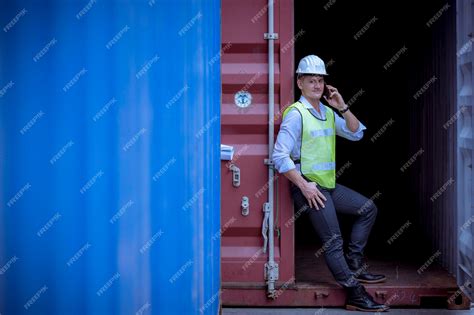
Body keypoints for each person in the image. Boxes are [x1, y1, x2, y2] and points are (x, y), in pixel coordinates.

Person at [272, 54, 389, 312]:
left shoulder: (326, 112)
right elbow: (278, 156)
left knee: (367, 209)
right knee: (333, 240)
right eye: (311, 80)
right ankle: (355, 294)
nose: (317, 85)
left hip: (328, 186)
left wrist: (343, 106)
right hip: (310, 188)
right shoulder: (296, 114)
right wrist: (303, 185)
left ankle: (355, 265)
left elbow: (357, 133)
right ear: (299, 82)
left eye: (320, 81)